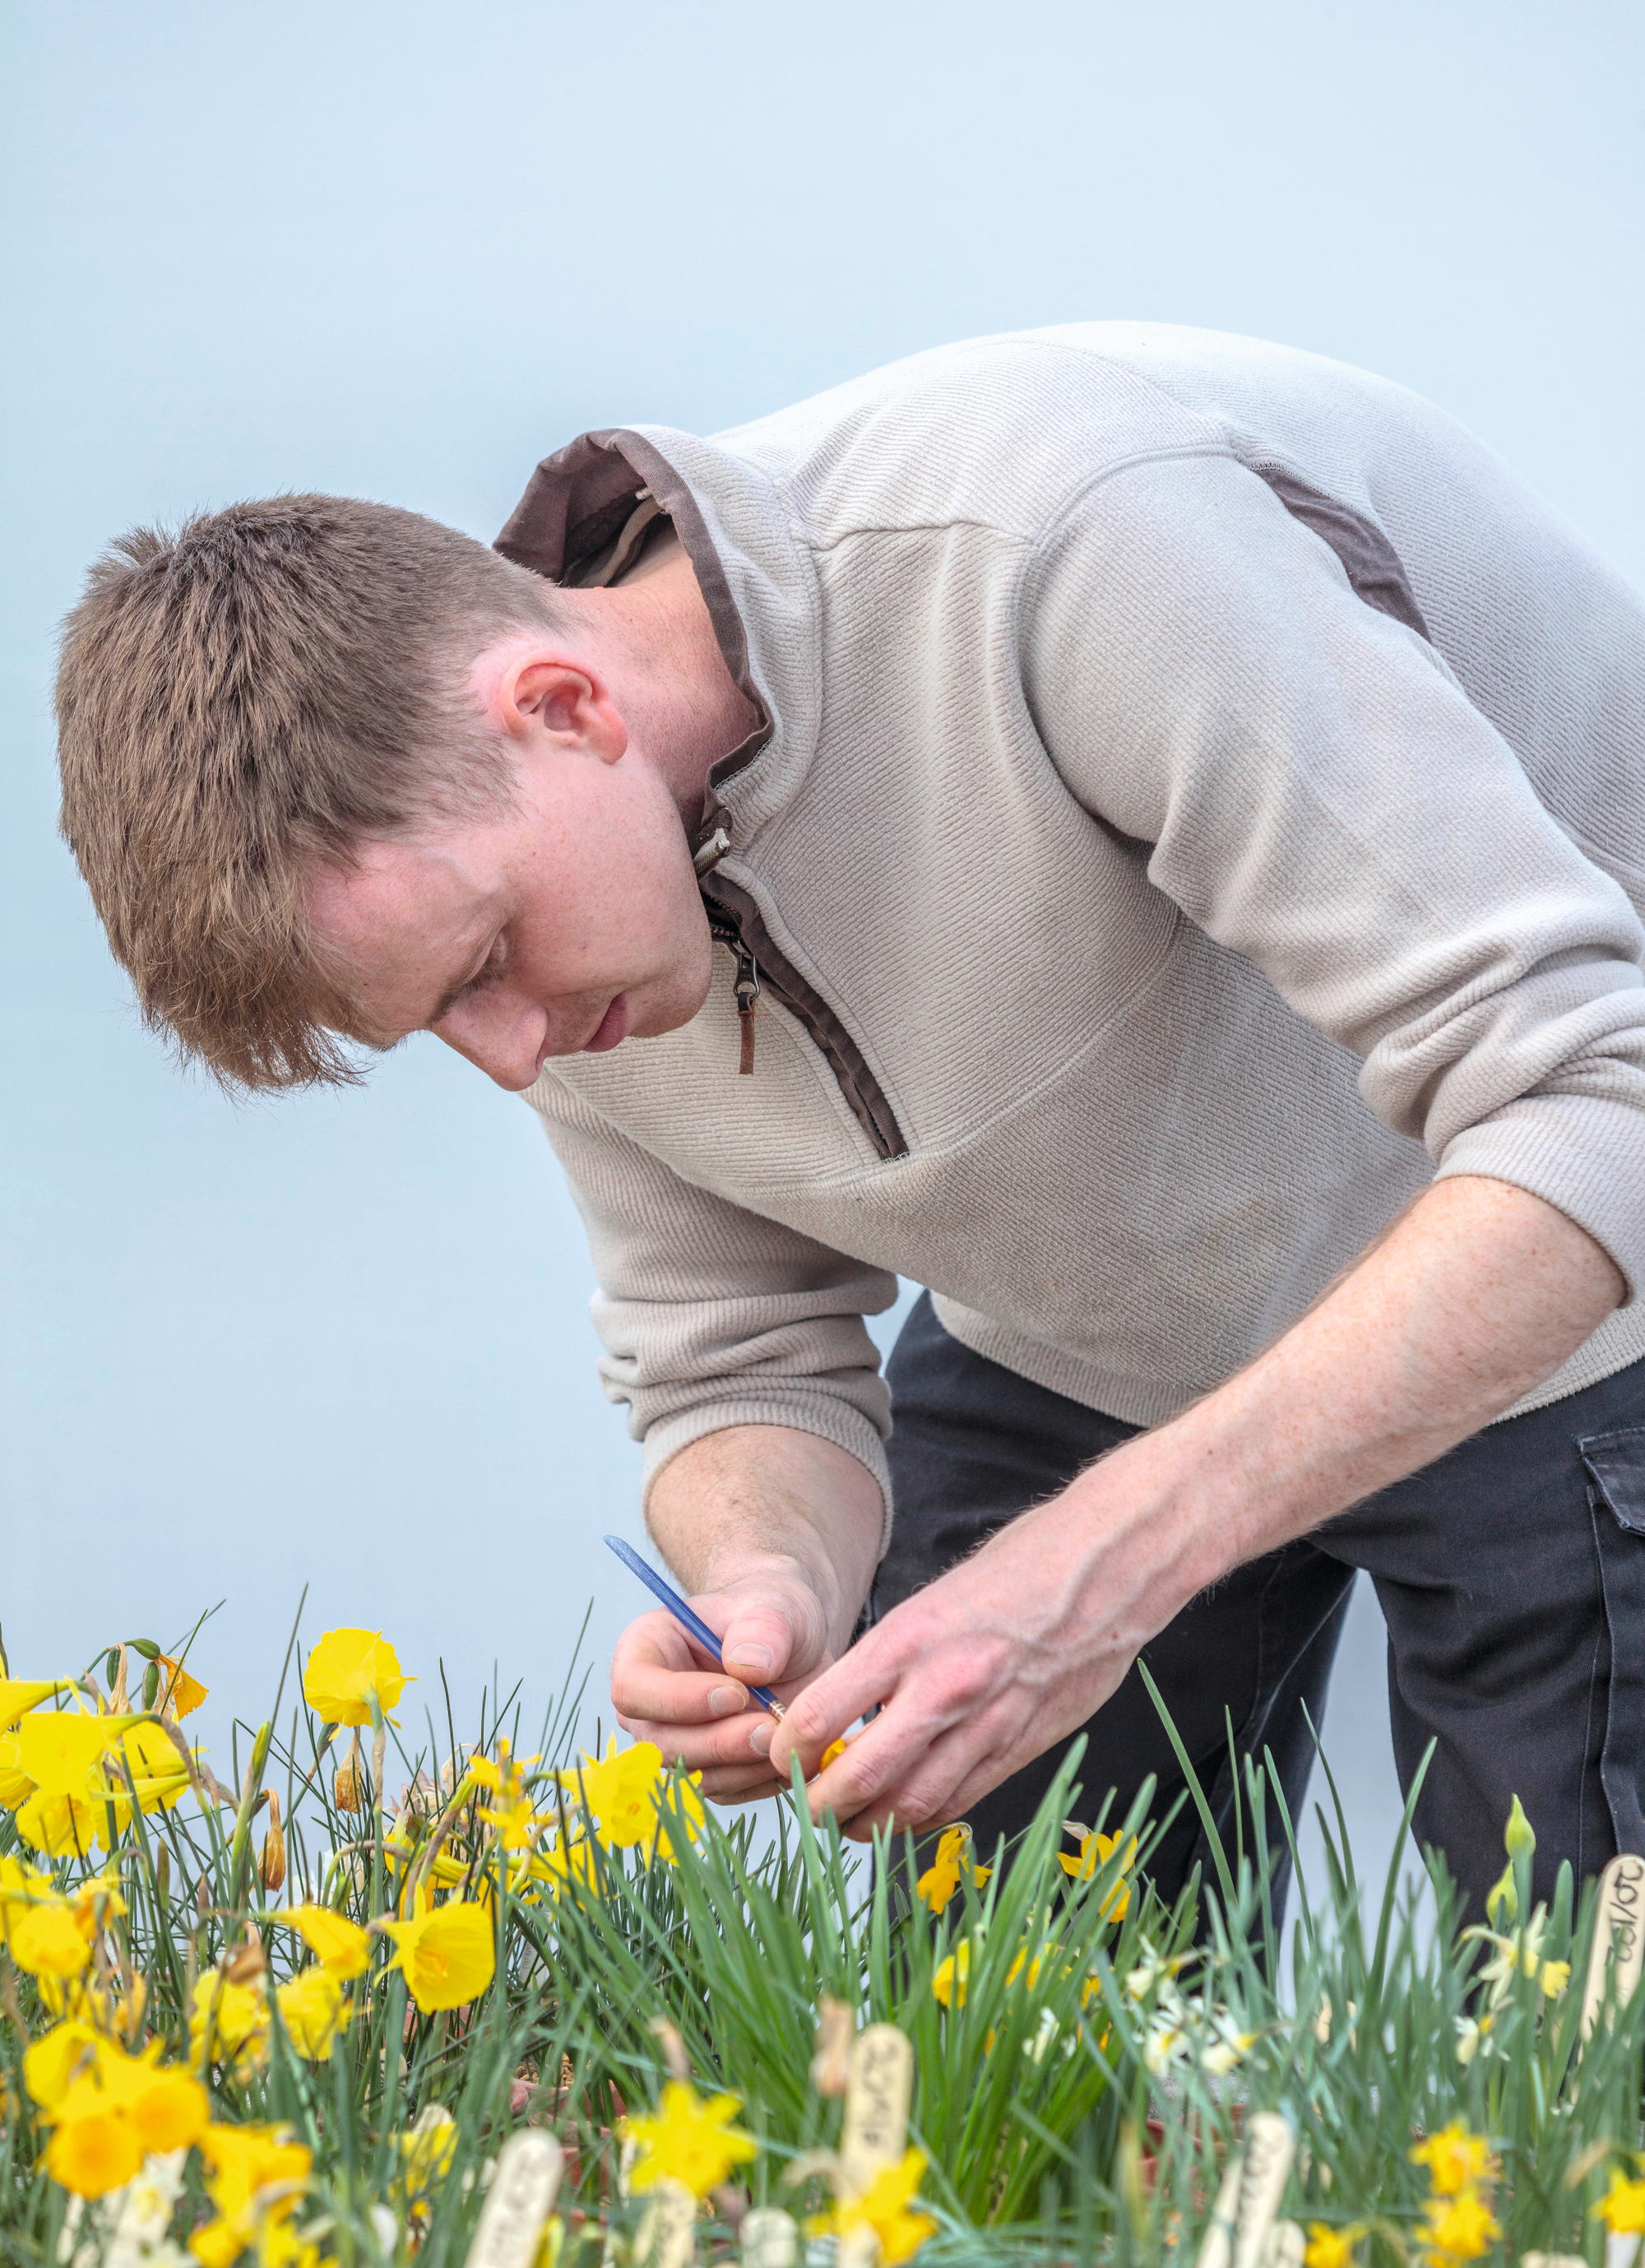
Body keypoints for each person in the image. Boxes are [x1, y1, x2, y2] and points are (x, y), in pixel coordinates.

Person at [54, 323, 1645, 1917]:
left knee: (1568, 2073)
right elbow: (730, 1346)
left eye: (483, 964)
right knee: (998, 2076)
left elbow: (1597, 1095)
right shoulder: (563, 908)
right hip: (1073, 1336)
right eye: (438, 1020)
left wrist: (1103, 1563)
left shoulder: (1066, 533)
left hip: (1555, 1281)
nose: (514, 1057)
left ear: (562, 706)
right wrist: (774, 1574)